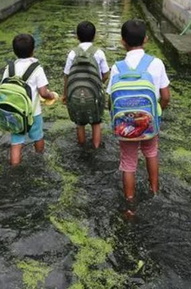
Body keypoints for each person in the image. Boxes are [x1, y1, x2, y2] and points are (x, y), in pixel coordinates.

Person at [106, 19, 170, 202]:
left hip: (125, 125)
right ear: (146, 39)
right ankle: (154, 190)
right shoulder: (156, 63)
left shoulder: (117, 67)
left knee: (128, 161)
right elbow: (165, 96)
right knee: (151, 152)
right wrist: (157, 114)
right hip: (149, 123)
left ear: (122, 41)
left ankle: (129, 202)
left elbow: (110, 99)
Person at [1, 34, 57, 166]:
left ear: (14, 51)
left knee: (16, 141)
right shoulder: (37, 68)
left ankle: (14, 166)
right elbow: (43, 93)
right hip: (33, 112)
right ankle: (40, 158)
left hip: (15, 112)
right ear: (33, 50)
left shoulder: (9, 68)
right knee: (38, 136)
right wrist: (51, 96)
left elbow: (3, 87)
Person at [63, 21, 110, 148]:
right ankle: (95, 147)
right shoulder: (99, 52)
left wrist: (65, 95)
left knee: (80, 122)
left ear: (77, 36)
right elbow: (106, 74)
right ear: (94, 36)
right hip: (94, 95)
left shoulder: (72, 53)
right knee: (96, 123)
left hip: (75, 94)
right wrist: (98, 84)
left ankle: (82, 146)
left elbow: (67, 76)